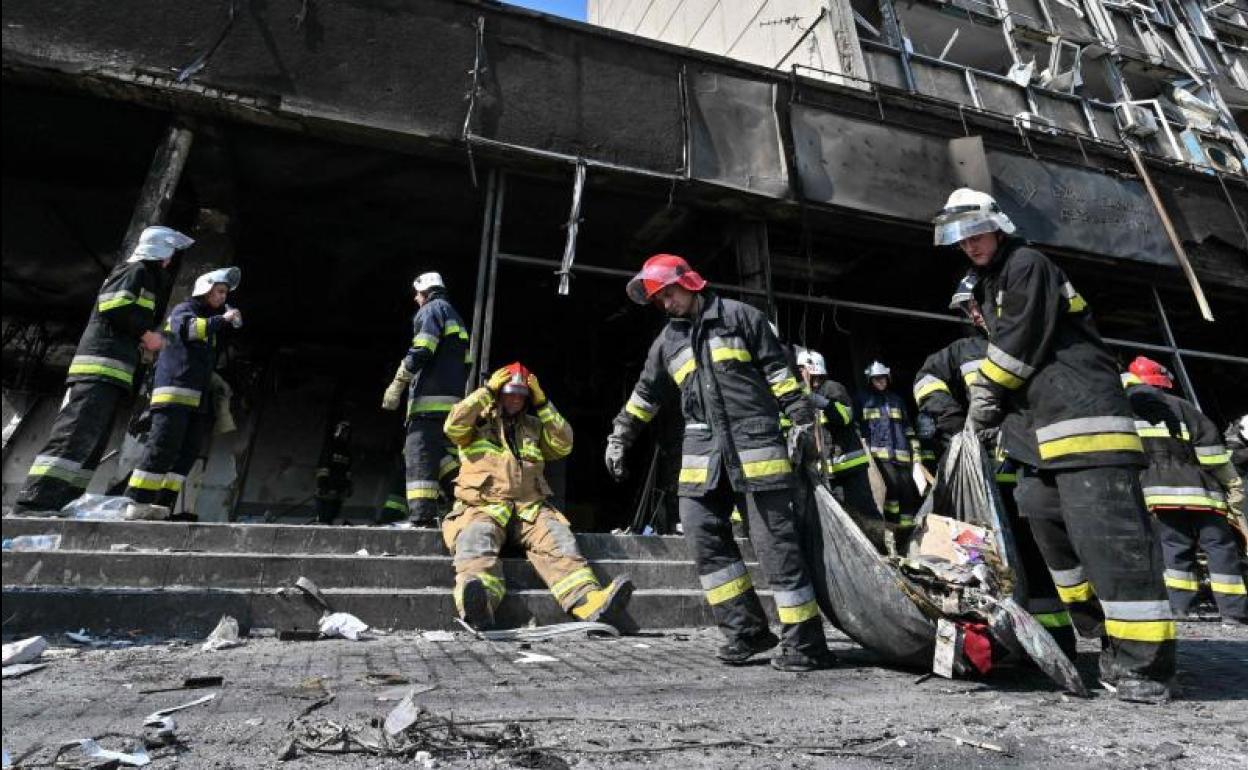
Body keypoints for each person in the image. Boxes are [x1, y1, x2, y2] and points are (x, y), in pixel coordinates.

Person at [936, 187, 1174, 703]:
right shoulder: (992, 284)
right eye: (960, 240)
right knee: (1043, 523)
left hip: (1085, 424)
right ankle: (1105, 635)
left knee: (1111, 547)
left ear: (997, 227)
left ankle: (1145, 667)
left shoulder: (1027, 265)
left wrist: (985, 395)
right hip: (1038, 437)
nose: (969, 245)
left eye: (976, 234)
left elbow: (1018, 343)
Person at [605, 254, 834, 672]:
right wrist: (620, 436)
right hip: (702, 456)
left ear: (689, 282)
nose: (666, 304)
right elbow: (645, 396)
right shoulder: (667, 342)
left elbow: (779, 374)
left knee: (777, 549)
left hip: (755, 448)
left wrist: (802, 421)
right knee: (702, 537)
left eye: (668, 294)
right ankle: (745, 631)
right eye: (658, 300)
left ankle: (806, 644)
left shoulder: (742, 317)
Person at [912, 278, 1077, 656]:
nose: (973, 314)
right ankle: (991, 641)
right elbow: (926, 381)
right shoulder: (961, 352)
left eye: (977, 304)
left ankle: (1054, 642)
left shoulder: (1038, 343)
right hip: (985, 477)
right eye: (967, 309)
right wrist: (954, 422)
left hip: (1033, 469)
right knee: (977, 558)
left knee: (1041, 555)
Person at [14, 226, 194, 516]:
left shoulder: (146, 277)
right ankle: (34, 502)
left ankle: (62, 502)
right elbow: (113, 304)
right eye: (170, 252)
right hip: (97, 368)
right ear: (161, 251)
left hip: (112, 373)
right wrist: (146, 334)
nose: (170, 260)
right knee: (74, 435)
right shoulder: (135, 270)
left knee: (90, 443)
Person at [442, 362, 633, 629]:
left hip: (529, 509)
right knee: (476, 539)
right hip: (483, 506)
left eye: (522, 395)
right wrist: (485, 392)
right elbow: (452, 426)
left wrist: (543, 404)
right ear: (499, 393)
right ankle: (480, 605)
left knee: (560, 539)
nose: (516, 400)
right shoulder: (478, 419)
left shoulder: (534, 425)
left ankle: (590, 602)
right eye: (510, 393)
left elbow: (564, 444)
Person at [1122, 357, 1246, 624]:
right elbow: (1212, 454)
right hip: (1202, 493)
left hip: (1158, 495)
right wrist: (1233, 484)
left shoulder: (1125, 414)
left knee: (1174, 549)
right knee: (1219, 547)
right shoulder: (1183, 407)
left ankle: (1180, 609)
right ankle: (1234, 613)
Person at [124, 267, 242, 520]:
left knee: (188, 452)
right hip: (173, 394)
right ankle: (137, 501)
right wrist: (223, 319)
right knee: (162, 446)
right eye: (219, 291)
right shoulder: (183, 310)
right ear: (205, 290)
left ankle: (162, 504)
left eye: (225, 293)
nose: (223, 297)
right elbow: (190, 330)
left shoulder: (210, 320)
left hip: (197, 400)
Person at [381, 272, 468, 526]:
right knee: (440, 455)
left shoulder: (430, 310)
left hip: (428, 404)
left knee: (418, 453)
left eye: (418, 294)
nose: (416, 299)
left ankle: (421, 518)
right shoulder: (455, 316)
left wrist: (398, 382)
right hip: (450, 404)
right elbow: (468, 362)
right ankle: (466, 500)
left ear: (426, 292)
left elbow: (422, 349)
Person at [794, 348, 880, 522]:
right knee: (844, 518)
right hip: (830, 471)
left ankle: (879, 537)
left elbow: (846, 417)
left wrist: (823, 403)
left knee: (865, 512)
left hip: (850, 465)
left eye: (801, 368)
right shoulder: (804, 396)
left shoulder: (832, 388)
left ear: (812, 368)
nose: (799, 373)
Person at [858, 361, 922, 533]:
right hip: (879, 457)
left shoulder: (897, 400)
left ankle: (908, 531)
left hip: (902, 456)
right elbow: (859, 429)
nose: (880, 382)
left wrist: (916, 453)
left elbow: (908, 428)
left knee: (907, 492)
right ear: (870, 380)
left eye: (883, 378)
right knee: (891, 492)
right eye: (876, 379)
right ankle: (893, 528)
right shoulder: (863, 400)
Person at [314, 421, 354, 525]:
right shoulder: (330, 448)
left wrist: (348, 486)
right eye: (343, 432)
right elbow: (323, 467)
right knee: (324, 517)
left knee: (332, 515)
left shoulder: (347, 452)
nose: (345, 435)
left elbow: (348, 471)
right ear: (338, 432)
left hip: (339, 491)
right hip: (326, 490)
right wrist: (322, 484)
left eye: (347, 433)